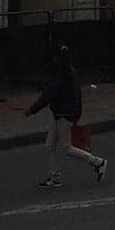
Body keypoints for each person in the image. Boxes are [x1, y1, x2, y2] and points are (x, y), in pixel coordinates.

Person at [25, 44, 107, 188]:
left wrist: (32, 110)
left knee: (66, 148)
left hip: (62, 115)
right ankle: (54, 176)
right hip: (64, 114)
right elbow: (76, 95)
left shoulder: (60, 75)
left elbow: (48, 94)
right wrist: (77, 114)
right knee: (49, 145)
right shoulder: (70, 73)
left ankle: (97, 162)